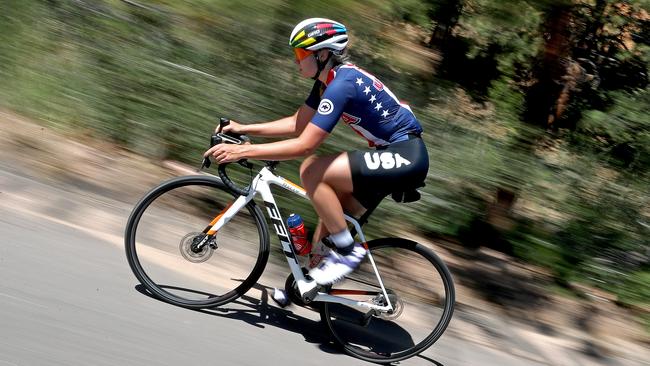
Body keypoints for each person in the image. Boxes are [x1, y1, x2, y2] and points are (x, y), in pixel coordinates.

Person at [204, 18, 429, 286]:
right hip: (390, 156)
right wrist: (243, 127)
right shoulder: (326, 83)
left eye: (301, 54)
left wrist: (245, 152)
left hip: (406, 155)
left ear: (323, 54)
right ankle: (308, 286)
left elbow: (306, 145)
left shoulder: (342, 85)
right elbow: (297, 124)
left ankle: (346, 253)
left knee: (311, 169)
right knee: (329, 223)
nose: (296, 60)